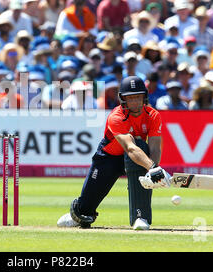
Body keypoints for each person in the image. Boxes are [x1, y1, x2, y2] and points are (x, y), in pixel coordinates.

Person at [57, 76, 171, 230]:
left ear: (144, 97)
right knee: (84, 210)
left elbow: (155, 147)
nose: (135, 102)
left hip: (137, 159)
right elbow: (129, 147)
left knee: (142, 148)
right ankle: (79, 213)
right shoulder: (116, 117)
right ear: (123, 99)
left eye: (138, 97)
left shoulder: (153, 115)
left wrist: (155, 168)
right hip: (109, 158)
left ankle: (140, 217)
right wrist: (152, 167)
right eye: (131, 98)